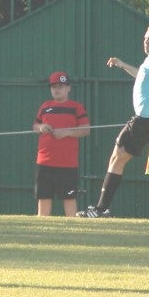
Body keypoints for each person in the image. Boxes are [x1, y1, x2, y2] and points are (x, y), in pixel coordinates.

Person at [78, 22, 149, 218]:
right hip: (146, 120)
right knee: (122, 158)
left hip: (147, 121)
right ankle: (102, 209)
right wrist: (122, 65)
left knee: (119, 158)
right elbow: (144, 76)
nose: (145, 42)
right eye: (145, 38)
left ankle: (101, 210)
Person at [33, 70, 90, 216]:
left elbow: (85, 130)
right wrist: (41, 127)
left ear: (68, 88)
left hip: (67, 163)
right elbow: (35, 126)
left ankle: (72, 230)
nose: (57, 89)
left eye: (61, 86)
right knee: (44, 196)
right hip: (45, 161)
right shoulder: (45, 106)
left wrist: (66, 132)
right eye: (54, 87)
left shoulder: (76, 107)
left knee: (69, 197)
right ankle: (41, 228)